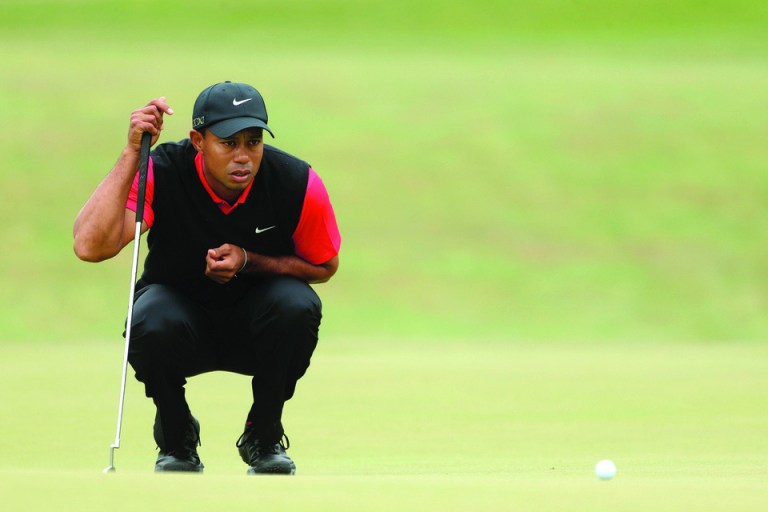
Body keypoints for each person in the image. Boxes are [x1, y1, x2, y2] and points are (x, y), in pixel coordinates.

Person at [73, 81, 341, 474]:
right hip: (178, 326)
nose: (243, 156)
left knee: (297, 305)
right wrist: (132, 152)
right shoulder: (162, 170)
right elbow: (89, 246)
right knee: (149, 315)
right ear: (198, 141)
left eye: (253, 142)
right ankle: (176, 436)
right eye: (228, 143)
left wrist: (249, 260)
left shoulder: (296, 182)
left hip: (258, 329)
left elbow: (325, 266)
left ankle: (264, 434)